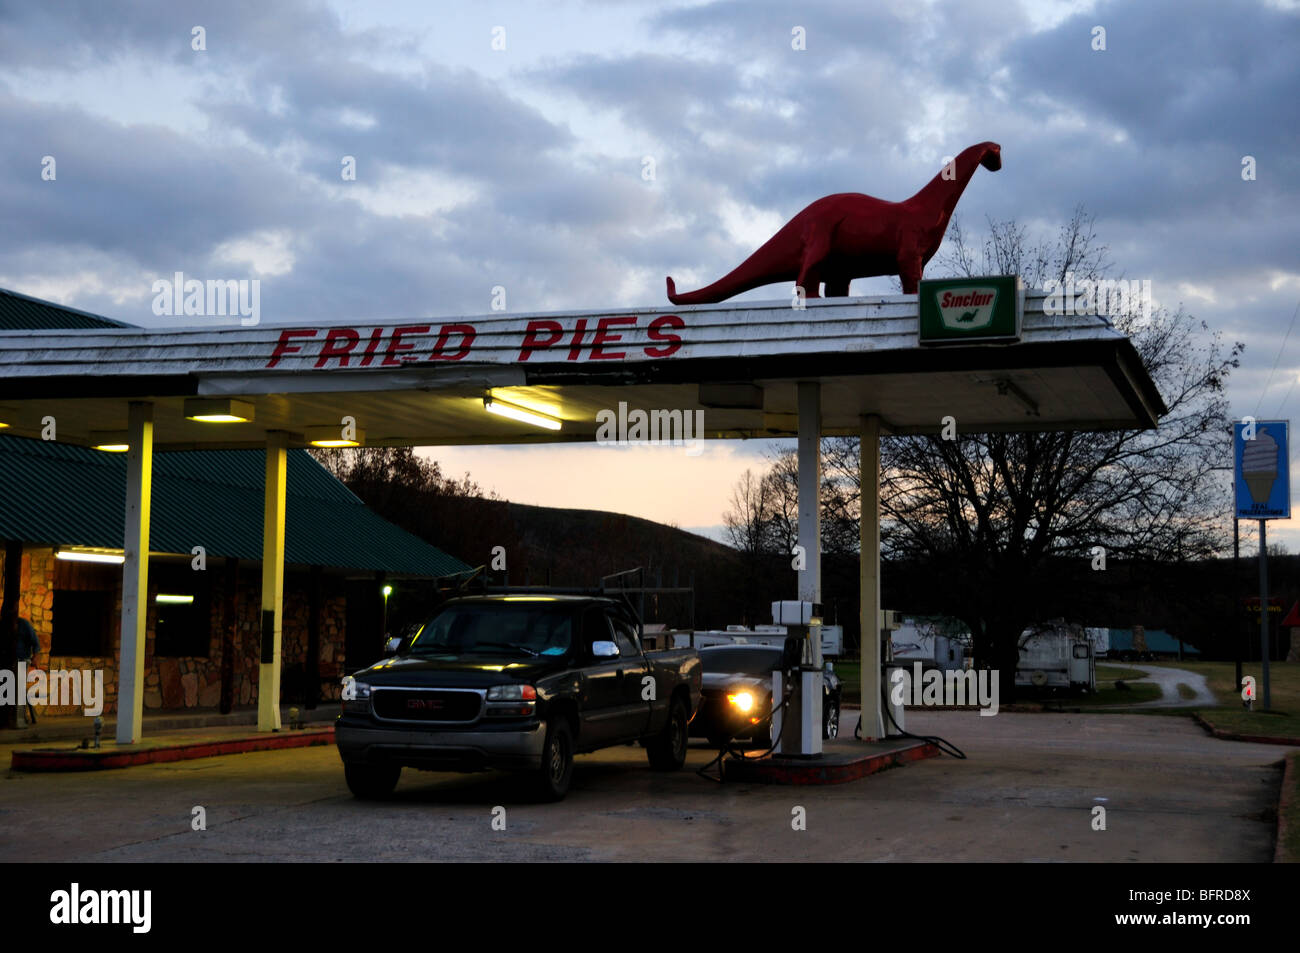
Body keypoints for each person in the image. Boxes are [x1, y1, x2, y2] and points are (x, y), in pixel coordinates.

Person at [16, 617, 39, 726]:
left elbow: (35, 642)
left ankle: (20, 719)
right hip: (7, 661)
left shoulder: (23, 624)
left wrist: (35, 657)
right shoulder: (3, 624)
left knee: (19, 689)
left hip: (22, 659)